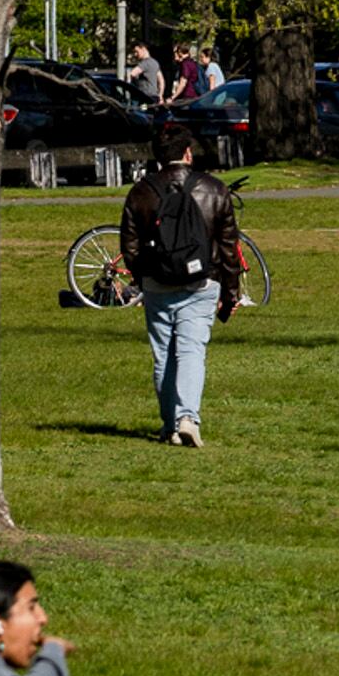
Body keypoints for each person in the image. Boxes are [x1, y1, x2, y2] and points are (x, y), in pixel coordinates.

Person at [120, 127, 245, 448]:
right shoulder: (214, 190)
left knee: (164, 355)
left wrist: (142, 277)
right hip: (201, 283)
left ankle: (168, 425)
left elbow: (129, 247)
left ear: (158, 157)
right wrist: (231, 292)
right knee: (191, 351)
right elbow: (229, 248)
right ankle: (188, 418)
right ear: (188, 154)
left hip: (157, 284)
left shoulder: (140, 192)